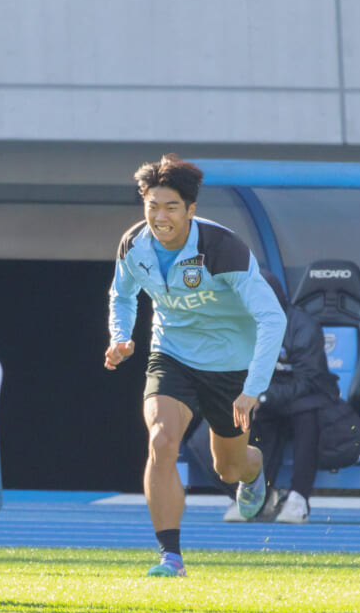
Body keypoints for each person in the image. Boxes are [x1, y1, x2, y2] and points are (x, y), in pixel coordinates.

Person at [104, 154, 286, 577]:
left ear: (191, 209)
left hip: (231, 366)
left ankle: (253, 470)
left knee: (228, 467)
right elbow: (122, 295)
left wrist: (252, 388)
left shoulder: (222, 248)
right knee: (161, 440)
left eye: (171, 207)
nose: (160, 217)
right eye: (152, 206)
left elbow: (272, 317)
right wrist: (120, 337)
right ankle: (170, 557)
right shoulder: (134, 245)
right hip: (172, 354)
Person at [221, 271, 336, 524]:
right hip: (269, 400)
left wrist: (261, 397)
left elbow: (309, 380)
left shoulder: (303, 325)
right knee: (237, 419)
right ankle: (254, 494)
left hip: (306, 399)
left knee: (307, 415)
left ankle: (298, 498)